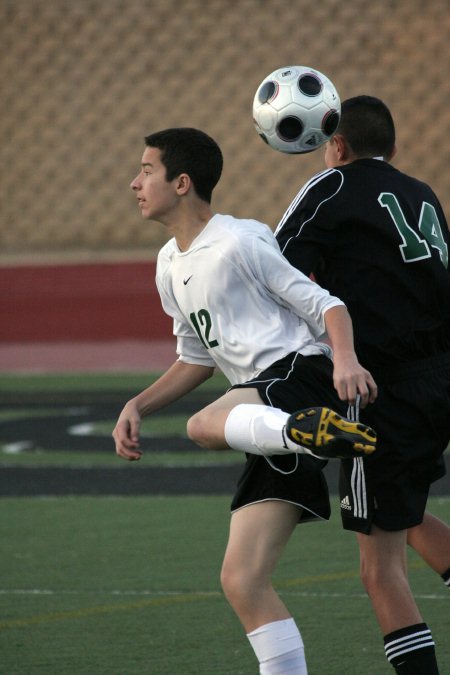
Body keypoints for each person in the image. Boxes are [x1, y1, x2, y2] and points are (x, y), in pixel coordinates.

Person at [112, 127, 378, 674]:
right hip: (270, 412)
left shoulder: (241, 240)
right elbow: (196, 359)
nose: (134, 182)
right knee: (241, 579)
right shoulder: (169, 264)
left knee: (202, 425)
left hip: (299, 377)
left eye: (146, 170)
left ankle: (306, 430)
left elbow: (328, 306)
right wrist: (137, 404)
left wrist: (346, 361)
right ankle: (306, 433)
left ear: (182, 183)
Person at [275, 95, 450, 674]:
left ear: (337, 146)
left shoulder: (328, 188)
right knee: (405, 508)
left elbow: (273, 269)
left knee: (379, 570)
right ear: (393, 149)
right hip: (440, 378)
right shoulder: (422, 192)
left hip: (382, 388)